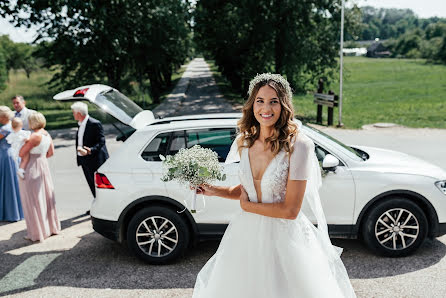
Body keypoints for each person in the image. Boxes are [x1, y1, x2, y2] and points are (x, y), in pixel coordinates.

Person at [192, 73, 356, 298]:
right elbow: (250, 192)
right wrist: (213, 190)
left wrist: (247, 207)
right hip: (246, 235)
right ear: (252, 105)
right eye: (260, 101)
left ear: (284, 105)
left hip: (286, 241)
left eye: (273, 101)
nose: (265, 108)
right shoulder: (245, 142)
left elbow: (290, 210)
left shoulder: (299, 146)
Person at [18, 112, 60, 242]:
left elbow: (21, 153)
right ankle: (51, 228)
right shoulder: (46, 134)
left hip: (32, 167)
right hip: (43, 165)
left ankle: (37, 232)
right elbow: (51, 153)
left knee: (33, 200)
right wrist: (40, 157)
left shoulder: (35, 136)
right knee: (45, 198)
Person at [71, 102, 109, 200]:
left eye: (73, 112)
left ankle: (103, 206)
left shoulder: (94, 123)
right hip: (84, 160)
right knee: (91, 184)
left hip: (95, 159)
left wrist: (90, 150)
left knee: (99, 185)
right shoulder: (80, 124)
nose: (73, 114)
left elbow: (101, 141)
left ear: (79, 113)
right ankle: (97, 204)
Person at [0, 106, 24, 222]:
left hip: (5, 156)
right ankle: (16, 211)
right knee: (13, 184)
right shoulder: (12, 125)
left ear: (3, 117)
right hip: (13, 155)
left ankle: (9, 212)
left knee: (7, 184)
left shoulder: (4, 129)